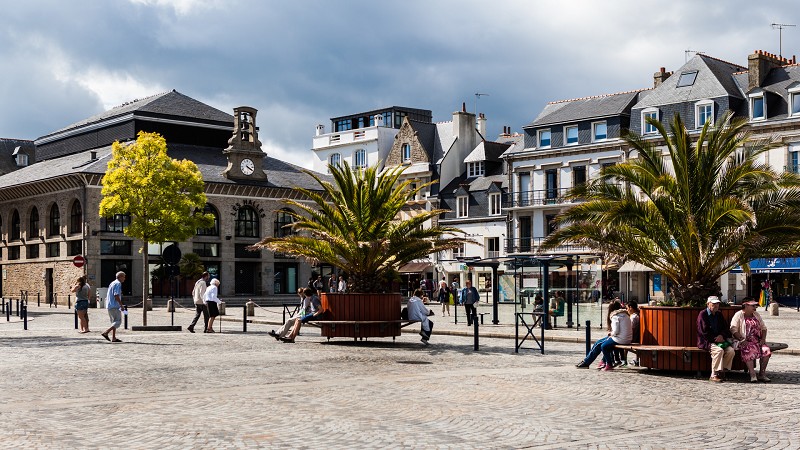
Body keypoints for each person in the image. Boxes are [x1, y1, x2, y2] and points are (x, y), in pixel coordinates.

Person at [575, 300, 631, 371]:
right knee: (600, 343)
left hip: (620, 339)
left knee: (599, 344)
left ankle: (588, 362)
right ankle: (593, 361)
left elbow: (616, 331)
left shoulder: (615, 316)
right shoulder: (625, 315)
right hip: (627, 338)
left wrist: (611, 334)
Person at [730, 297, 772, 382]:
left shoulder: (756, 314)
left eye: (755, 305)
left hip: (757, 341)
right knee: (748, 350)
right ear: (746, 306)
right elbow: (733, 329)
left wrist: (763, 339)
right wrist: (742, 339)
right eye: (752, 305)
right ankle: (752, 374)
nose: (754, 307)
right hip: (743, 340)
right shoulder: (739, 315)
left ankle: (762, 374)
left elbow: (764, 328)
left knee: (766, 351)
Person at [697, 295, 734, 382]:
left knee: (731, 351)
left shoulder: (719, 314)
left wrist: (722, 336)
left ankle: (722, 371)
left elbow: (725, 328)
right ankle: (714, 374)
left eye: (717, 304)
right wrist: (715, 339)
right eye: (713, 304)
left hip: (720, 340)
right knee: (719, 351)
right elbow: (704, 332)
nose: (716, 306)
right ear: (708, 304)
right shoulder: (703, 314)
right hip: (707, 341)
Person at [101, 271, 126, 343]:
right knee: (118, 321)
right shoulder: (118, 284)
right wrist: (121, 305)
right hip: (115, 305)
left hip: (110, 305)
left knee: (114, 322)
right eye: (124, 277)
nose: (124, 278)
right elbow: (116, 295)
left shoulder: (112, 283)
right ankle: (106, 332)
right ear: (120, 277)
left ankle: (113, 337)